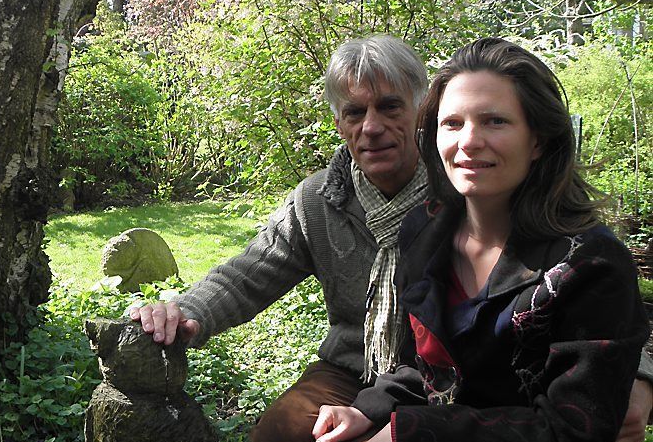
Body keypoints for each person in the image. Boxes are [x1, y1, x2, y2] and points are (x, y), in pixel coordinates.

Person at [129, 35, 653, 442]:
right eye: (354, 112)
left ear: (419, 111)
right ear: (339, 123)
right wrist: (184, 310)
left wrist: (639, 376)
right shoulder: (328, 202)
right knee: (281, 431)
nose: (371, 127)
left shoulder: (468, 190)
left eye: (389, 107)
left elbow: (605, 307)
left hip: (468, 391)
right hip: (368, 371)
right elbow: (249, 272)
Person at [312, 37, 650, 442]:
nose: (468, 141)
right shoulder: (424, 230)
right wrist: (365, 411)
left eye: (495, 121)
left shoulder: (589, 264)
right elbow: (426, 368)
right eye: (452, 123)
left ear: (538, 139)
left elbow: (574, 429)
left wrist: (413, 433)